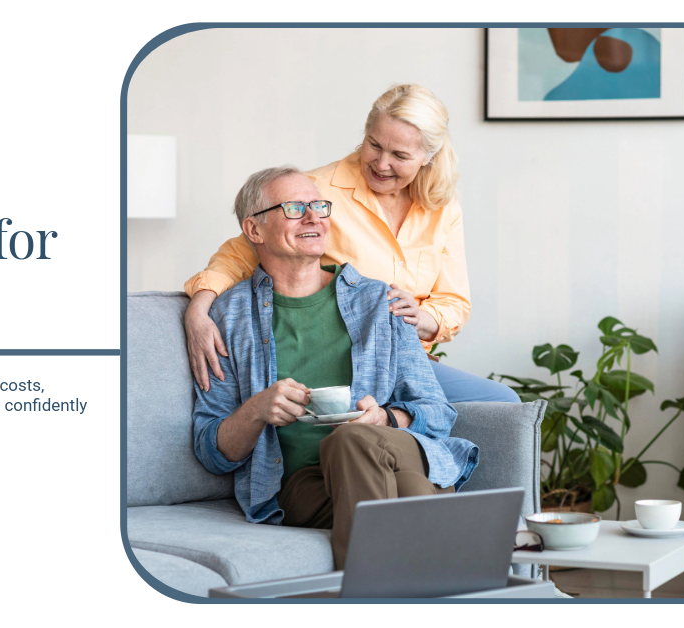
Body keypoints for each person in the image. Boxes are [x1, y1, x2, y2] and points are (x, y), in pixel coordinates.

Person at [191, 166, 478, 569]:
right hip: (303, 485)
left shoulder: (382, 302)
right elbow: (212, 451)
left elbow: (436, 411)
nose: (314, 217)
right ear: (254, 230)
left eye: (319, 206)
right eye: (294, 208)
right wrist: (257, 410)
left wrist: (384, 417)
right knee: (407, 485)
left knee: (352, 442)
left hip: (392, 453)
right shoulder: (228, 317)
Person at [183, 84, 517, 404]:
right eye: (374, 145)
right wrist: (198, 311)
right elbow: (238, 253)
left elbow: (453, 301)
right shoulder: (315, 192)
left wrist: (421, 317)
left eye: (399, 155)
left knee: (503, 403)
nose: (381, 163)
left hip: (407, 358)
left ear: (428, 157)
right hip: (345, 356)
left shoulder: (442, 206)